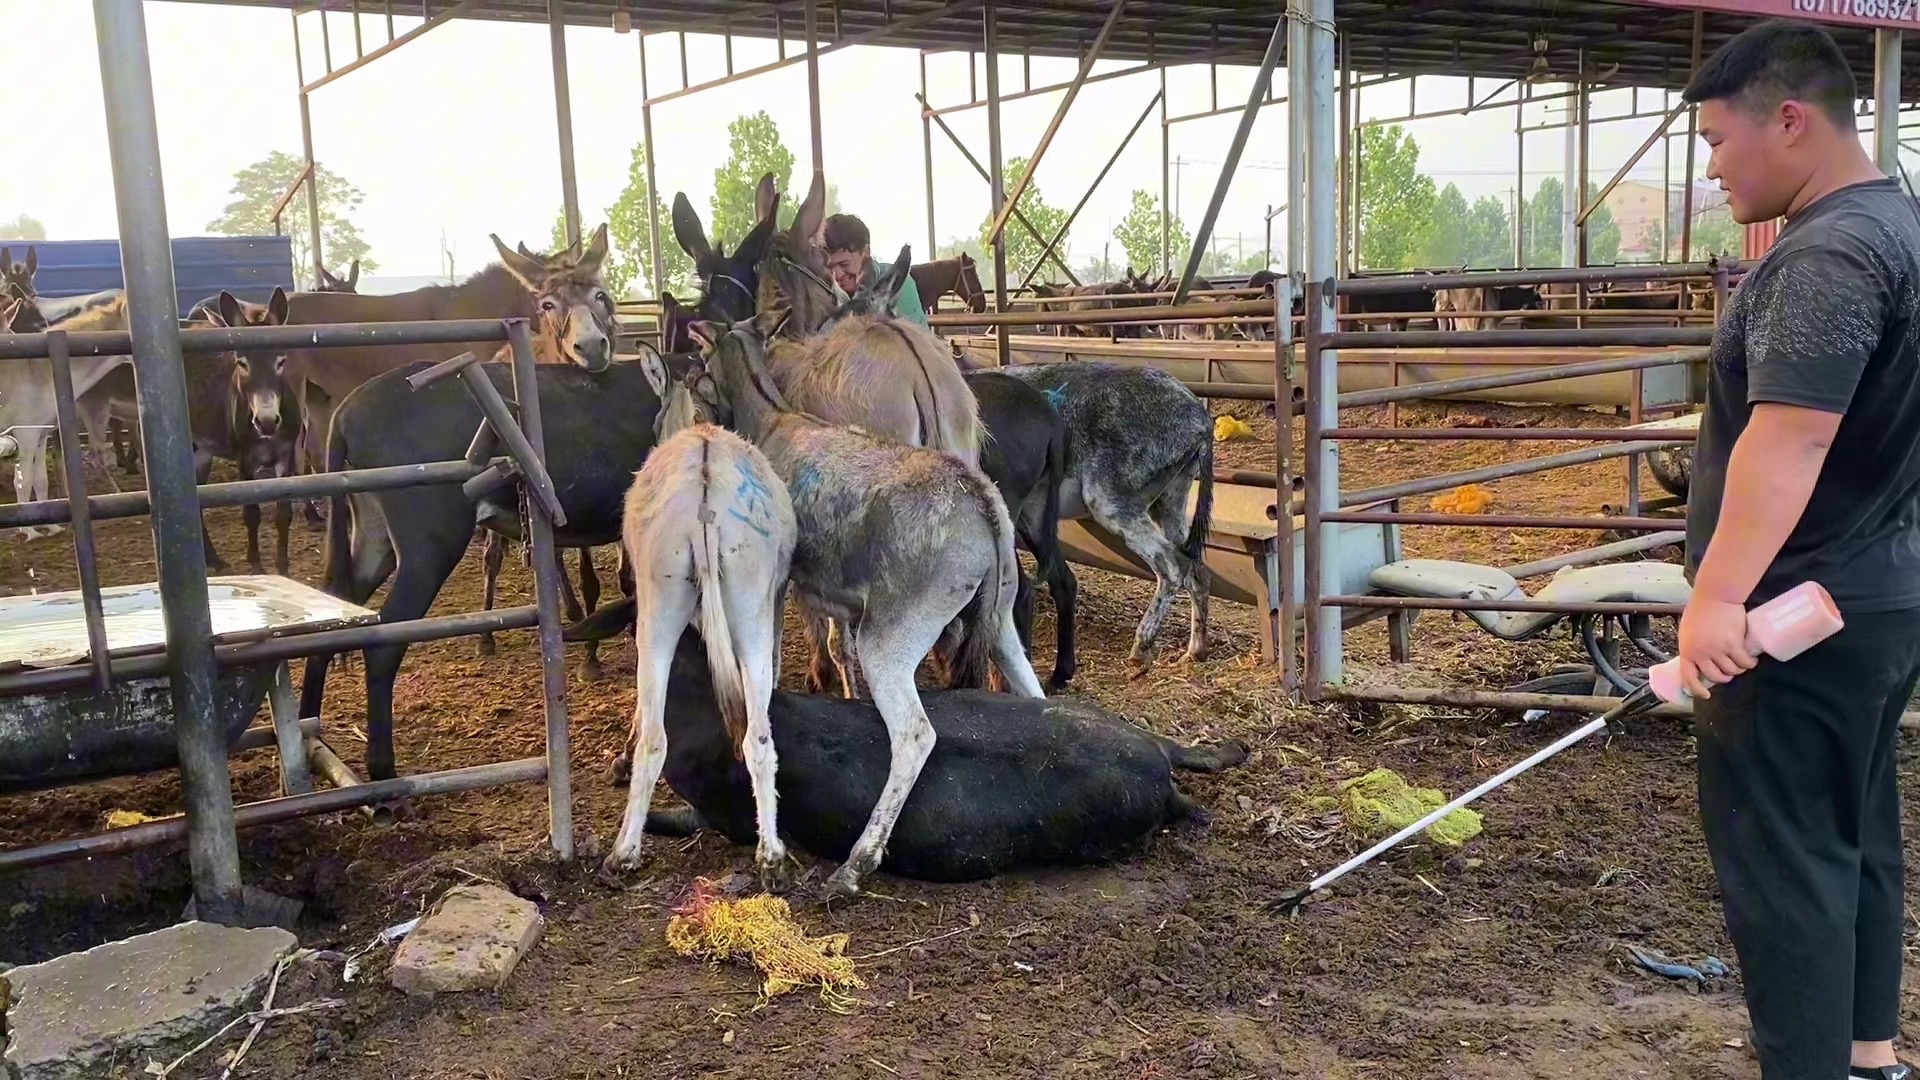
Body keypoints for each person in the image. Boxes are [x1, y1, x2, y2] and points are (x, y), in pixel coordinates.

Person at [1679, 19, 1920, 1080]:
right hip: (1881, 593)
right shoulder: (1904, 229)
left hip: (1794, 616)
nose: (1716, 171)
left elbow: (1793, 435)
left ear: (1789, 119)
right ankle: (1870, 1053)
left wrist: (1716, 599)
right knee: (1854, 831)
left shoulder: (1826, 254)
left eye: (1719, 143)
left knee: (1786, 866)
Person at [821, 213, 930, 329]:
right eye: (830, 267)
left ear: (866, 252)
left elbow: (918, 340)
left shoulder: (901, 284)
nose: (836, 276)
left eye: (844, 264)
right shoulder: (826, 291)